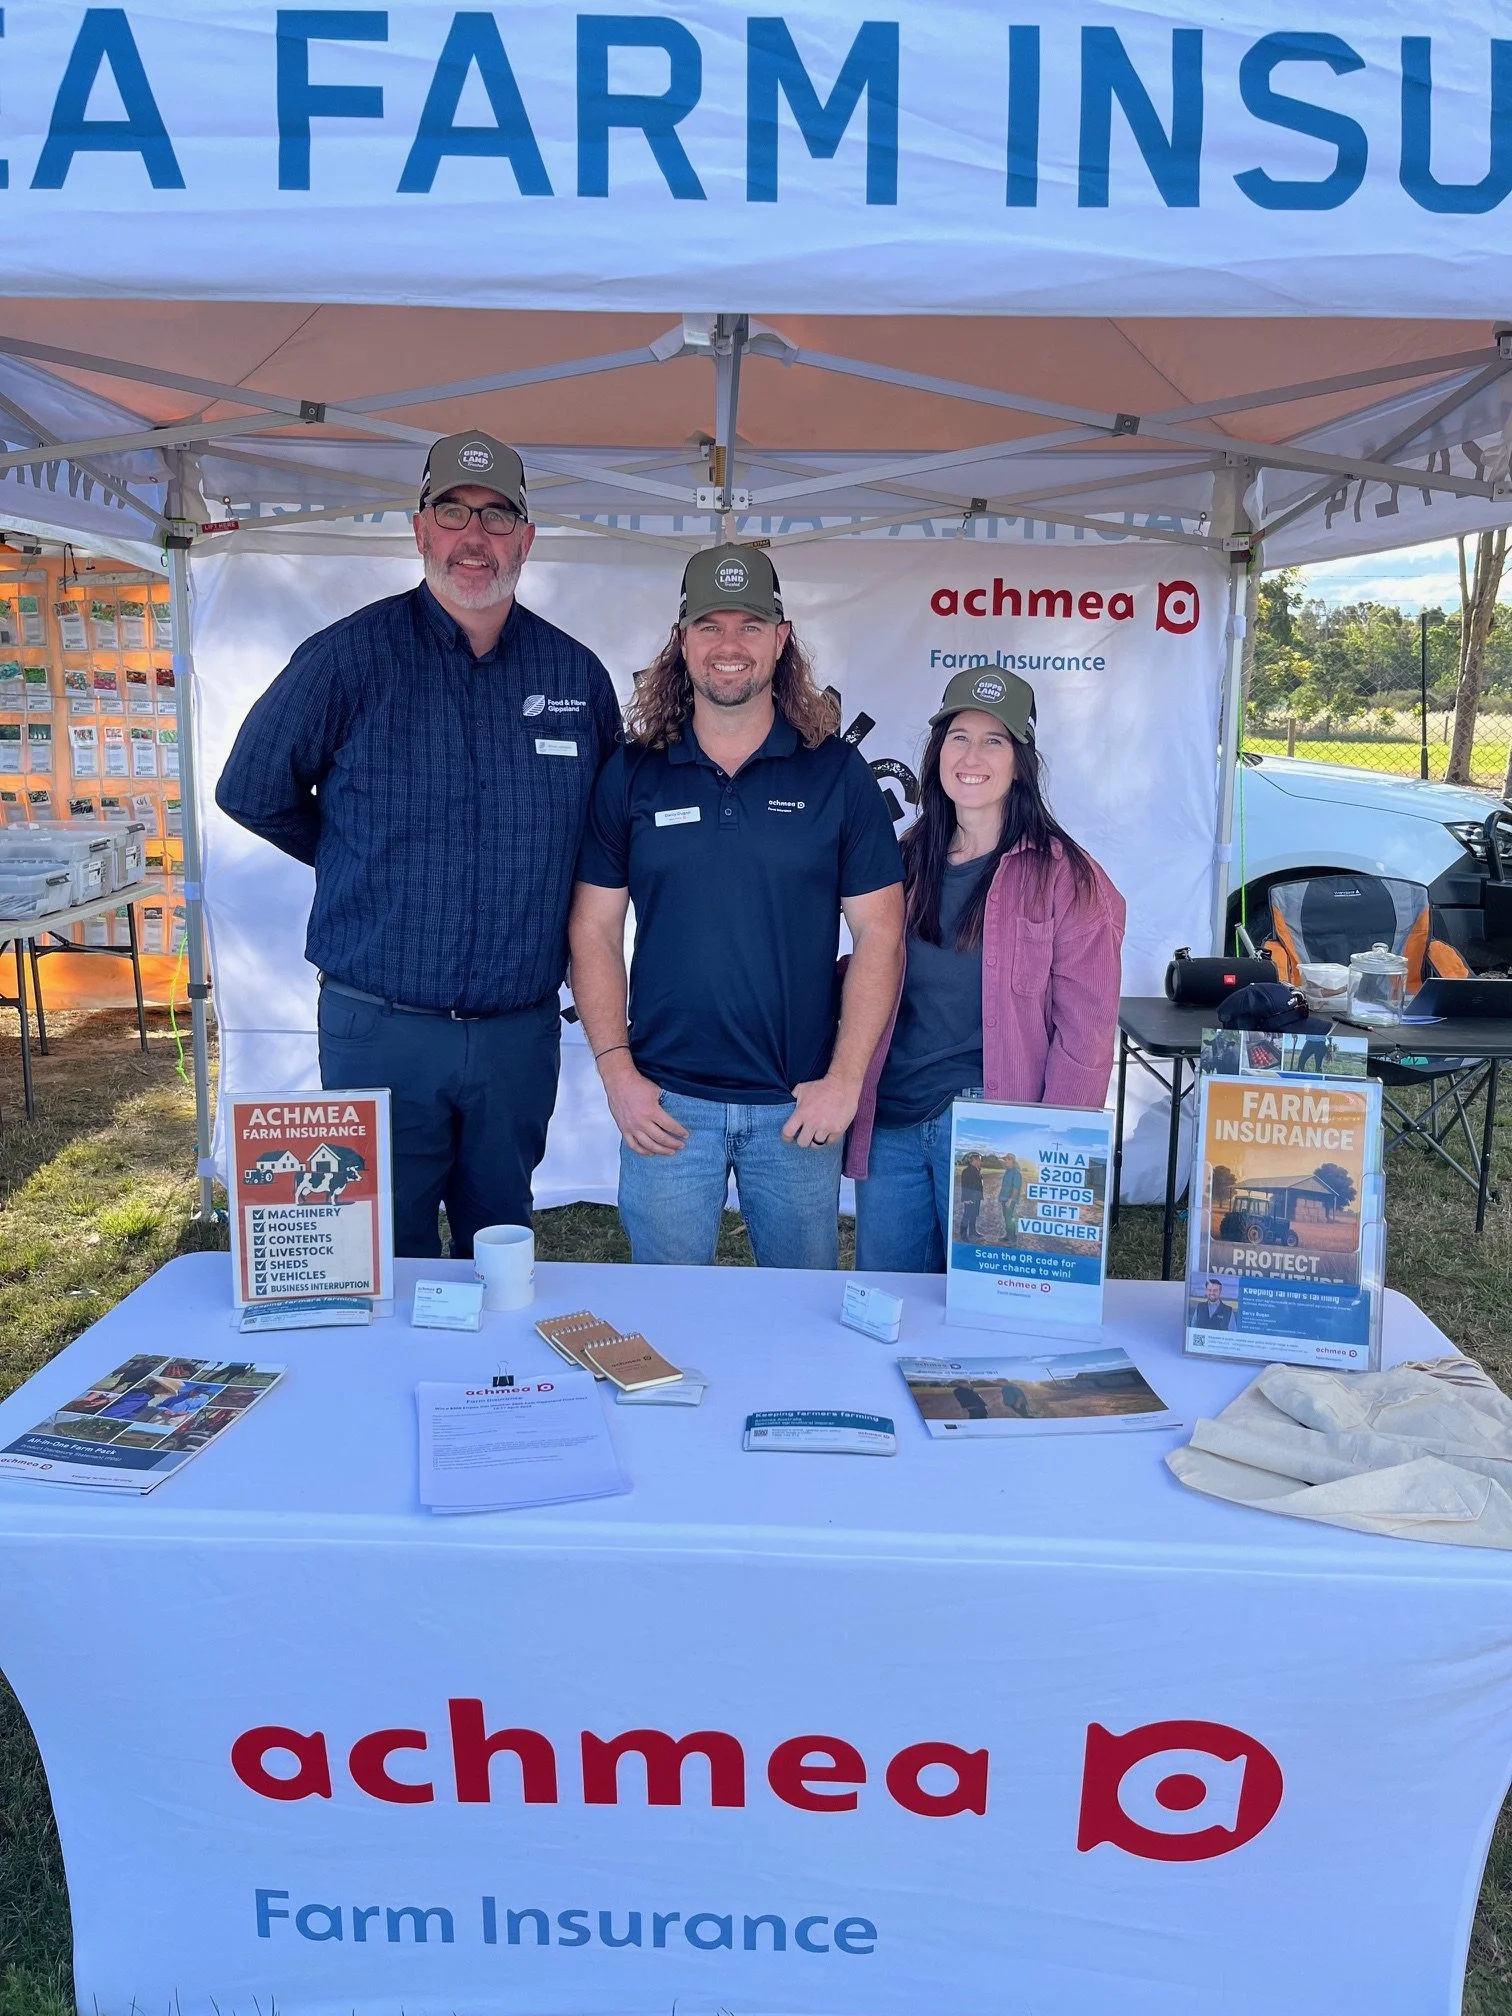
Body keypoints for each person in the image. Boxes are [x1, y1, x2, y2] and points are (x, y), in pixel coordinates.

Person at [216, 430, 621, 1259]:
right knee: (379, 1252)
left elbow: (604, 840)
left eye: (498, 516)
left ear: (528, 539)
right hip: (381, 1026)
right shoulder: (347, 659)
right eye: (454, 512)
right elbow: (251, 790)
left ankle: (492, 1391)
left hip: (516, 1032)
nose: (475, 537)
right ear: (420, 528)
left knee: (501, 1246)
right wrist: (357, 856)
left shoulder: (575, 677)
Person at [569, 544, 904, 1268]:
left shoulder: (835, 772)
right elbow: (593, 929)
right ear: (682, 640)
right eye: (710, 626)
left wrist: (843, 1083)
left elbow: (881, 933)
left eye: (750, 626)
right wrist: (617, 1073)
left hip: (796, 1107)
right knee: (667, 1330)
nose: (729, 646)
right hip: (666, 1106)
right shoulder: (632, 772)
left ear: (781, 640)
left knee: (799, 1328)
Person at [847, 667, 1125, 1273]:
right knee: (889, 1307)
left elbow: (1087, 1028)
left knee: (990, 1311)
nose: (973, 756)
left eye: (994, 741)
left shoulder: (1069, 879)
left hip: (994, 1129)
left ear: (1021, 762)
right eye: (959, 737)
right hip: (893, 1118)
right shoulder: (900, 859)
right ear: (936, 752)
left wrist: (1056, 1150)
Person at [956, 1153, 983, 1240]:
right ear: (974, 1160)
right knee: (967, 1216)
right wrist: (966, 1199)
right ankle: (963, 1236)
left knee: (974, 1215)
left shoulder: (977, 1170)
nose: (980, 1162)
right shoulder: (967, 1171)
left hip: (977, 1197)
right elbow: (965, 1186)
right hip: (970, 1198)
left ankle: (972, 1232)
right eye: (979, 1160)